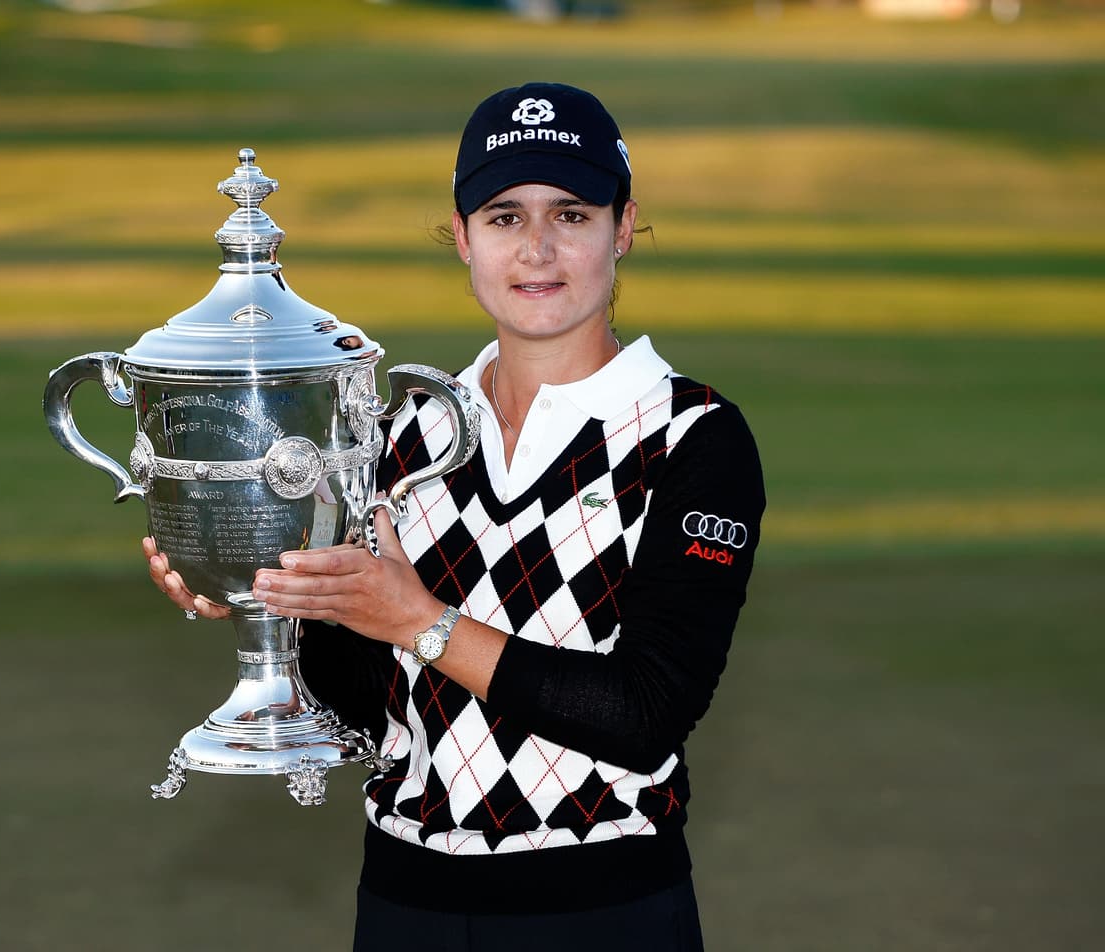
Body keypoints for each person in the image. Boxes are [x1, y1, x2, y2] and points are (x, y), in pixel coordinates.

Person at [145, 82, 766, 952]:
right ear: (463, 236)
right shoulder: (400, 432)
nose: (539, 248)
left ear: (623, 229)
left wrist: (425, 622)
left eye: (574, 214)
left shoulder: (692, 435)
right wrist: (268, 588)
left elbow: (645, 711)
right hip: (407, 904)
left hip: (604, 912)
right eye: (505, 216)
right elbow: (369, 703)